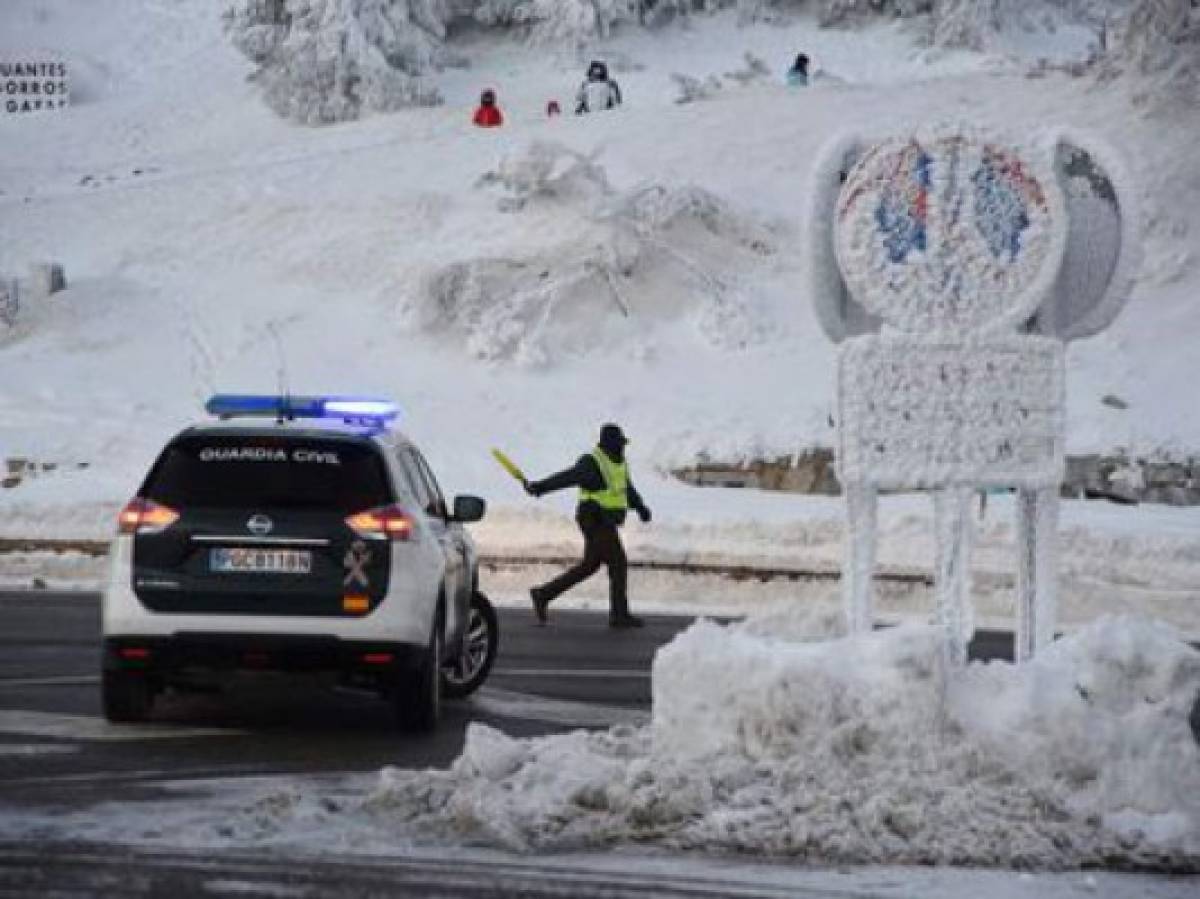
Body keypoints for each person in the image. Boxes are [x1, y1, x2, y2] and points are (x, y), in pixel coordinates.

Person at [524, 424, 651, 628]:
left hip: (604, 520)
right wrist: (541, 487)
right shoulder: (592, 463)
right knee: (618, 563)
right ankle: (619, 615)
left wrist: (640, 506)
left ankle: (543, 594)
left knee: (589, 566)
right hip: (594, 518)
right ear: (610, 444)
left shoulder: (618, 463)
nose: (623, 447)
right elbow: (568, 477)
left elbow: (626, 488)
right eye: (620, 444)